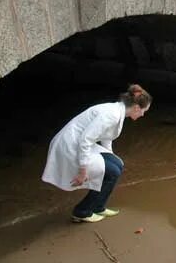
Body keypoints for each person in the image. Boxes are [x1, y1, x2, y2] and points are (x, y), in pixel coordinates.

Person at [42, 84, 152, 223]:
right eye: (144, 111)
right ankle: (82, 211)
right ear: (136, 107)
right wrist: (83, 170)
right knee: (112, 172)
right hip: (69, 146)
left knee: (117, 165)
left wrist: (111, 157)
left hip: (79, 142)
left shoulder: (118, 111)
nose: (143, 115)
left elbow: (107, 137)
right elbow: (85, 140)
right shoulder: (111, 114)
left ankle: (98, 207)